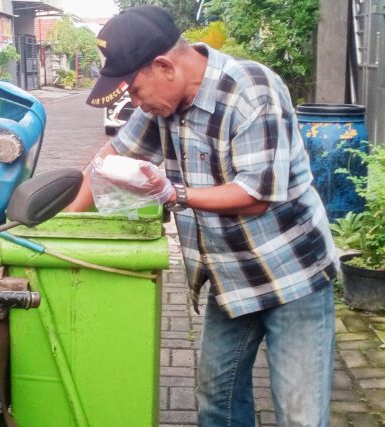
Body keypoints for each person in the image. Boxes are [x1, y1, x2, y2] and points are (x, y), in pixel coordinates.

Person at [68, 6, 337, 427]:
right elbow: (111, 156)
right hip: (231, 278)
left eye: (136, 92)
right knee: (217, 403)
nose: (137, 104)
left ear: (163, 66)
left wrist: (174, 194)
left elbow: (256, 195)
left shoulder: (252, 90)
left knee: (300, 417)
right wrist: (64, 221)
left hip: (292, 275)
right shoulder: (162, 104)